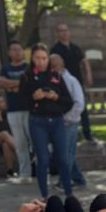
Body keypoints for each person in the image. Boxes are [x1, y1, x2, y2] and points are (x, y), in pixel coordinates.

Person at [20, 43, 73, 198]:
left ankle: (69, 194)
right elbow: (21, 102)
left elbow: (68, 101)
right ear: (32, 58)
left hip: (56, 121)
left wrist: (55, 97)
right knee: (43, 159)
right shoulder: (27, 76)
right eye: (38, 58)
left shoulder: (56, 76)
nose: (41, 62)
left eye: (44, 58)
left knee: (63, 159)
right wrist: (33, 98)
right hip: (38, 121)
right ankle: (45, 196)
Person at [0, 40, 34, 184]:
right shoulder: (5, 68)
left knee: (35, 141)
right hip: (13, 110)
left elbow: (28, 84)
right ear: (9, 53)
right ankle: (25, 174)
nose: (17, 52)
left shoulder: (28, 67)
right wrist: (19, 84)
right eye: (14, 49)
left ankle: (43, 170)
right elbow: (1, 83)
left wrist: (11, 85)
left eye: (20, 49)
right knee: (20, 143)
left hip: (29, 109)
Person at [48, 53, 86, 188]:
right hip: (57, 122)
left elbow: (79, 103)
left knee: (66, 153)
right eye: (51, 66)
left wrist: (67, 118)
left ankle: (64, 181)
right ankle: (78, 178)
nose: (54, 68)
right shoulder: (51, 80)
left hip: (69, 122)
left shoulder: (71, 81)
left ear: (62, 64)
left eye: (55, 65)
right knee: (66, 151)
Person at [51, 23, 94, 142]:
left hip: (77, 81)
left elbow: (84, 61)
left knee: (82, 106)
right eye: (60, 31)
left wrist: (88, 74)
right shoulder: (55, 49)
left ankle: (87, 133)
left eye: (65, 30)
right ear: (57, 33)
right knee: (67, 106)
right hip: (63, 82)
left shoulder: (75, 48)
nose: (64, 33)